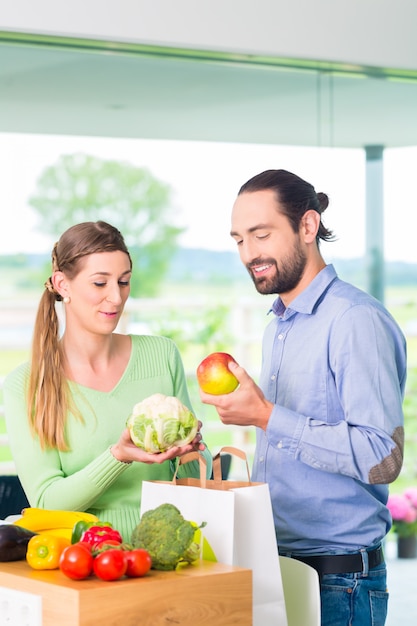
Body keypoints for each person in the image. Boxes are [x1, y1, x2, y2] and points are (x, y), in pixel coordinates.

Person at [200, 169, 407, 626]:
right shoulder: (279, 324)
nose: (248, 253)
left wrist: (269, 417)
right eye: (238, 239)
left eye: (261, 234)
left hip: (339, 582)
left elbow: (383, 458)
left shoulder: (354, 320)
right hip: (280, 564)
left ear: (307, 227)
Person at [4, 220, 212, 541]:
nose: (116, 298)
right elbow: (46, 501)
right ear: (63, 284)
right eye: (100, 283)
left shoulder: (161, 354)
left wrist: (192, 451)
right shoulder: (27, 383)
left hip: (170, 550)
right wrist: (118, 456)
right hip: (83, 559)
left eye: (124, 282)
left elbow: (194, 478)